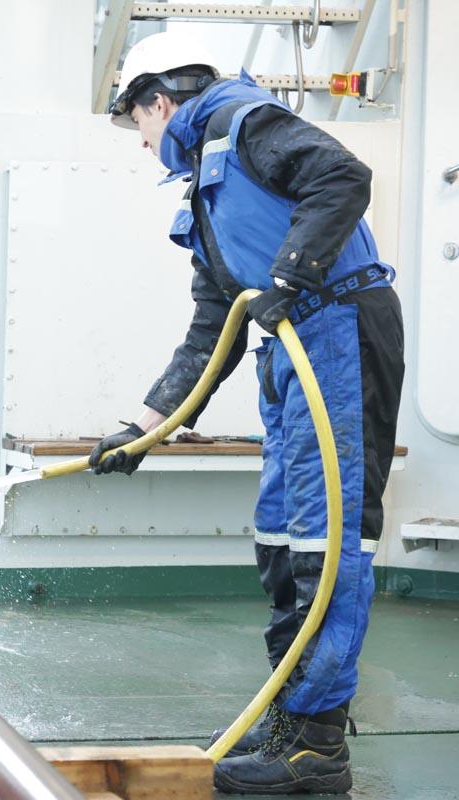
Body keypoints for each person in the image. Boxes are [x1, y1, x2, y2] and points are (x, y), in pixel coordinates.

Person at [93, 31, 404, 795]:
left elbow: (342, 176)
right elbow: (214, 328)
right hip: (293, 350)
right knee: (282, 542)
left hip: (339, 333)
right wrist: (144, 430)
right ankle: (288, 716)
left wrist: (290, 278)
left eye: (136, 120)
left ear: (159, 101)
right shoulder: (210, 188)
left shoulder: (245, 123)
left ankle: (315, 751)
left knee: (326, 545)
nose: (139, 139)